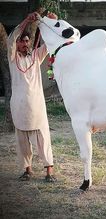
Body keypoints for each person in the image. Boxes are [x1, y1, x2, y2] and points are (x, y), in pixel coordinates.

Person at [7, 12, 57, 182]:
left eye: (27, 41)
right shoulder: (13, 58)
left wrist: (51, 21)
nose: (24, 44)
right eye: (21, 41)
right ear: (17, 44)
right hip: (19, 106)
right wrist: (26, 20)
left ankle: (49, 172)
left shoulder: (36, 56)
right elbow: (11, 38)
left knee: (43, 138)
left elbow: (50, 44)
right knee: (22, 140)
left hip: (36, 106)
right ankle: (27, 170)